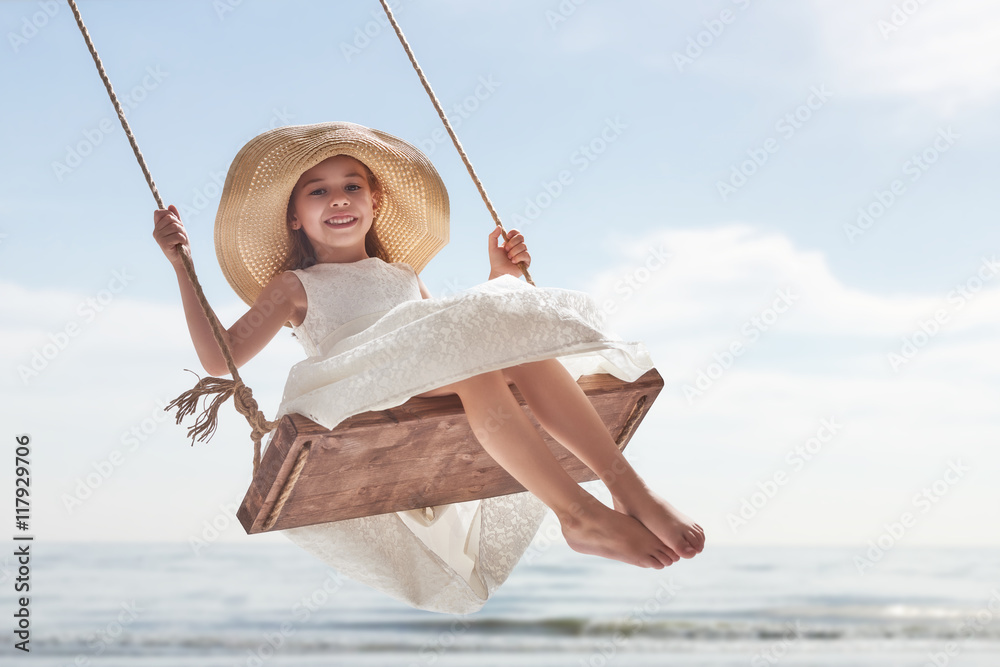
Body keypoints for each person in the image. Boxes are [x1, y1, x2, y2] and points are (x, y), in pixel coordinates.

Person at [152, 121, 704, 614]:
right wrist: (183, 266)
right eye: (317, 191)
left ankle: (626, 486)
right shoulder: (295, 287)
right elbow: (218, 356)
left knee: (509, 349)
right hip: (355, 384)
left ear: (374, 201)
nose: (338, 199)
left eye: (352, 186)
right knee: (476, 357)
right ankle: (576, 511)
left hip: (421, 371)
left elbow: (443, 330)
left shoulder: (402, 274)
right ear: (295, 218)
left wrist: (497, 279)